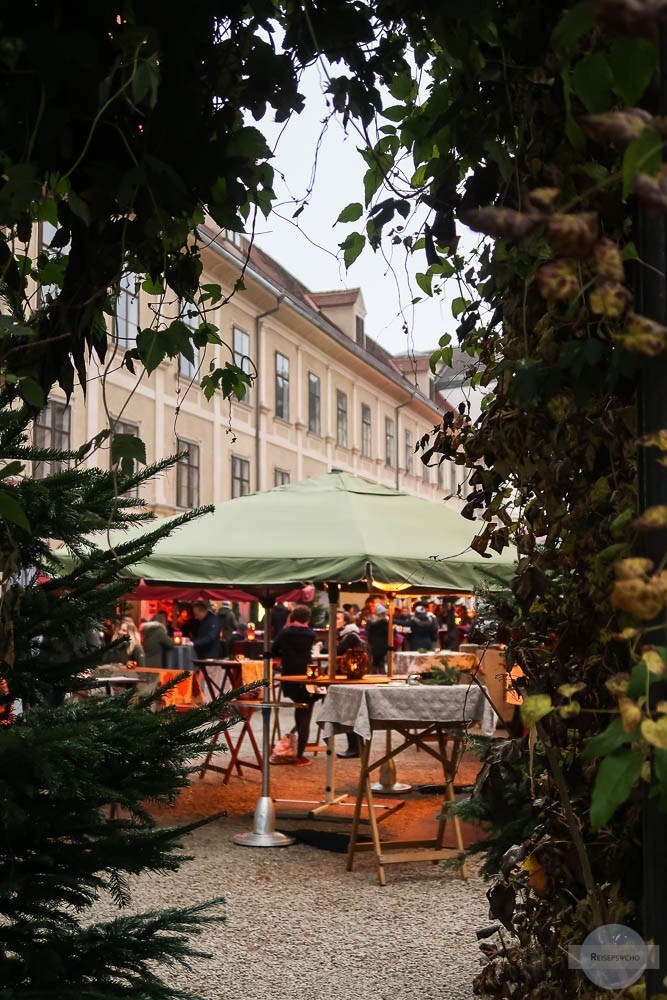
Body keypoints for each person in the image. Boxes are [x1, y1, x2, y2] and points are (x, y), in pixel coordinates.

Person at [271, 605, 319, 765]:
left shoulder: (285, 633)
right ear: (307, 618)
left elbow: (273, 650)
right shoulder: (311, 634)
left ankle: (295, 749)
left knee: (300, 711)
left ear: (292, 617)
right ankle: (299, 754)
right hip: (307, 677)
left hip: (290, 677)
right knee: (306, 714)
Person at [336, 617, 367, 758]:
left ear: (345, 622)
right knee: (351, 713)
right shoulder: (352, 635)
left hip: (350, 679)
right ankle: (357, 747)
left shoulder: (350, 637)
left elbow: (336, 651)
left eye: (337, 618)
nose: (334, 620)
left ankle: (355, 748)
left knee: (350, 713)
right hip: (353, 678)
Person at [365, 602, 389, 674]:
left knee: (375, 662)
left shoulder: (370, 621)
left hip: (373, 643)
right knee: (381, 662)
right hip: (382, 644)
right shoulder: (384, 622)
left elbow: (367, 631)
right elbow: (388, 632)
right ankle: (382, 675)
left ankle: (372, 676)